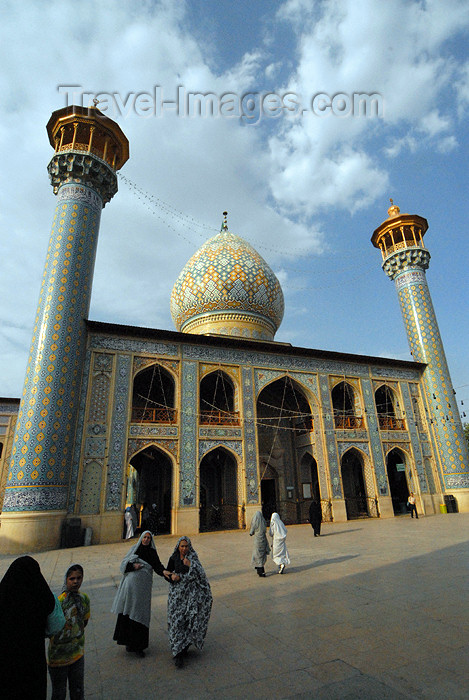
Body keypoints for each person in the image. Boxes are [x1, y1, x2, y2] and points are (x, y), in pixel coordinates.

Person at [0, 556, 56, 699]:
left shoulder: (4, 596)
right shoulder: (38, 598)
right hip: (33, 661)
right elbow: (50, 604)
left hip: (7, 664)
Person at [112, 530, 170, 657]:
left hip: (143, 590)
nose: (146, 540)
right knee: (129, 613)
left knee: (140, 614)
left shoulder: (152, 552)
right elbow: (123, 565)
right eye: (145, 537)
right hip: (131, 589)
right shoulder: (135, 549)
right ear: (141, 538)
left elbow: (157, 566)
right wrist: (133, 567)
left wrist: (165, 572)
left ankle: (138, 646)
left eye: (149, 538)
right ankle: (128, 642)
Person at [166, 536, 212, 668]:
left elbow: (201, 575)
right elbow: (167, 572)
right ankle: (177, 652)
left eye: (186, 546)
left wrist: (190, 565)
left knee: (188, 620)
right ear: (178, 547)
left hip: (190, 596)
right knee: (176, 622)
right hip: (177, 596)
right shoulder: (173, 558)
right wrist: (171, 576)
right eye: (182, 546)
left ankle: (183, 647)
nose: (184, 548)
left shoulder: (193, 558)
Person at [48, 564, 91, 700]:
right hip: (58, 657)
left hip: (77, 654)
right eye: (72, 578)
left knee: (77, 690)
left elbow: (84, 622)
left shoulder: (84, 599)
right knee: (59, 692)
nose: (75, 582)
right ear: (66, 580)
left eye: (79, 578)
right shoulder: (58, 602)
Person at [249, 510, 270, 577]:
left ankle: (260, 570)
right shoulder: (263, 522)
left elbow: (253, 528)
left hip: (257, 540)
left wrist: (251, 533)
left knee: (257, 554)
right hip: (263, 539)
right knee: (261, 555)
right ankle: (259, 569)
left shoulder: (255, 521)